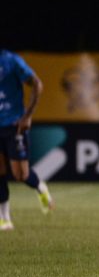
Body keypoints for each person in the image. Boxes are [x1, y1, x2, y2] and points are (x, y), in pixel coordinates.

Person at [0, 50, 55, 231]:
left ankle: (40, 187)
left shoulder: (11, 61)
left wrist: (28, 116)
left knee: (20, 175)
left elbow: (37, 84)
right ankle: (4, 219)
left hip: (14, 124)